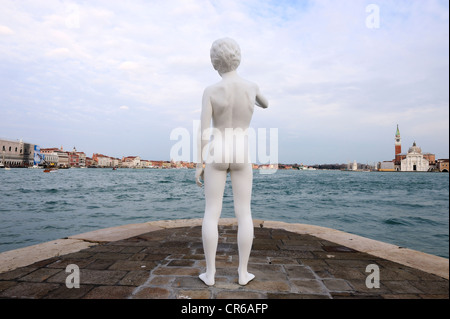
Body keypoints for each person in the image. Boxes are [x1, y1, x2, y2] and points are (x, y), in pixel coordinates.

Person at [196, 37, 268, 286]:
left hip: (217, 150)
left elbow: (204, 131)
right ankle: (243, 272)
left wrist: (198, 164)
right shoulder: (251, 86)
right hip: (241, 151)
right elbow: (266, 103)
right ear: (238, 57)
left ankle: (210, 273)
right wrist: (251, 96)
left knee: (211, 213)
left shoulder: (211, 91)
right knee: (244, 213)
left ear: (215, 61)